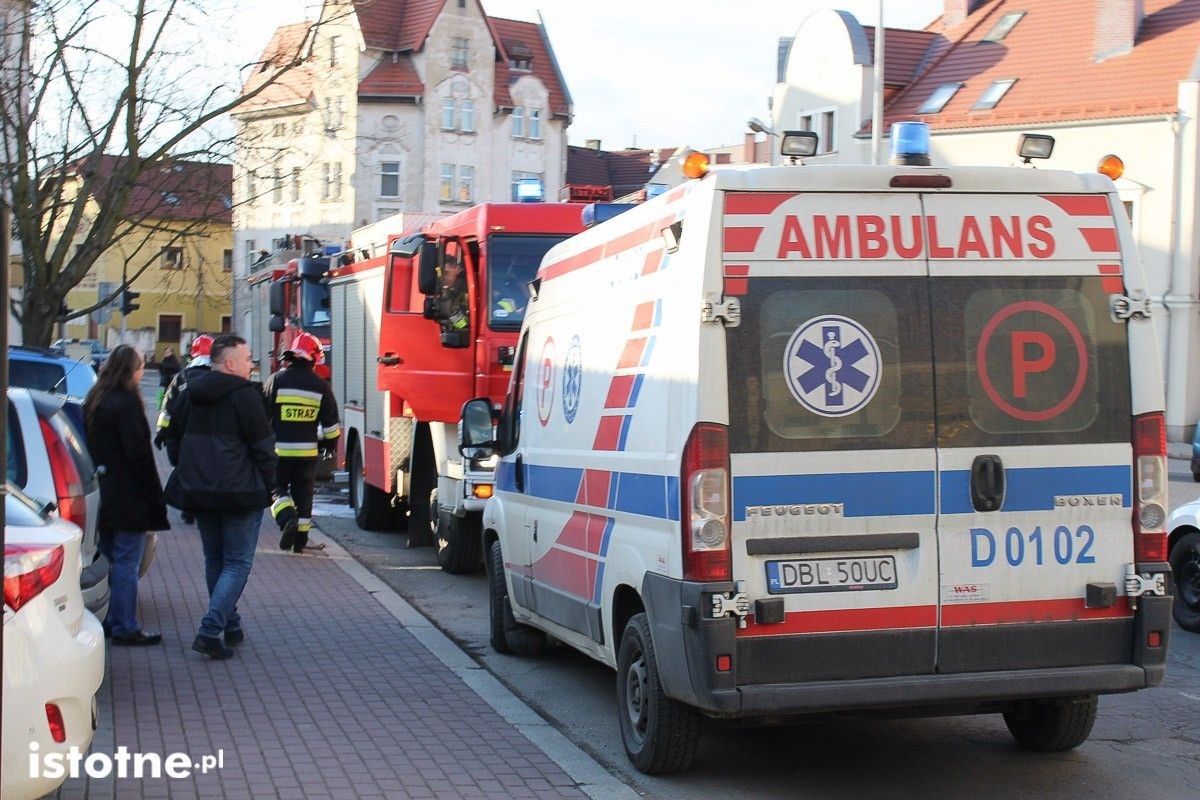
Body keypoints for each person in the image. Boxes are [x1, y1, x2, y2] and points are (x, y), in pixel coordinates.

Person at [162, 334, 276, 660]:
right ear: (230, 363)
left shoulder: (189, 392)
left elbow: (172, 435)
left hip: (200, 491)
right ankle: (211, 629)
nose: (251, 364)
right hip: (240, 493)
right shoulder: (245, 397)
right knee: (238, 563)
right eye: (247, 358)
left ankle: (231, 623)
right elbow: (263, 447)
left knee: (215, 560)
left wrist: (186, 468)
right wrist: (272, 486)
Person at [83, 345, 170, 646]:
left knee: (111, 557)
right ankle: (124, 625)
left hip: (104, 489)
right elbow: (138, 454)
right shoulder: (127, 404)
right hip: (128, 493)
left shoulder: (97, 399)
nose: (143, 370)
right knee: (126, 562)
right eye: (140, 365)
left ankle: (112, 618)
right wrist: (151, 491)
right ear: (130, 370)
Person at [263, 332, 340, 554]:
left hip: (279, 452)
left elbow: (261, 415)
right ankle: (300, 541)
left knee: (275, 488)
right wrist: (329, 447)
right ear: (314, 357)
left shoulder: (276, 380)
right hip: (307, 454)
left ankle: (286, 518)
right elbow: (331, 425)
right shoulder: (321, 386)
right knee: (304, 495)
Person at [155, 334, 213, 450]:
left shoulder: (181, 378)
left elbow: (167, 408)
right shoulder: (220, 378)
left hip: (183, 439)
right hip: (211, 443)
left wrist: (162, 431)